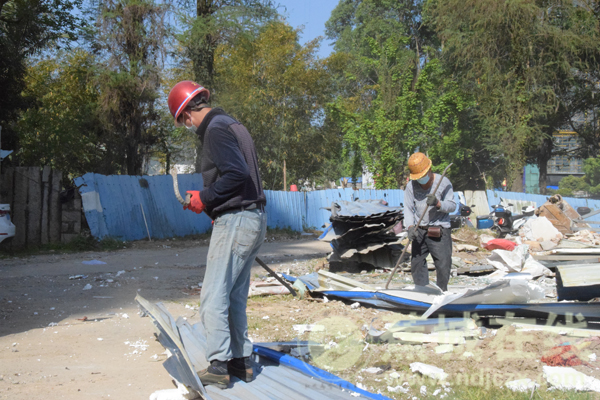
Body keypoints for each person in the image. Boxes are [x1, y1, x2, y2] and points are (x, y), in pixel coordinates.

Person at [167, 80, 267, 389]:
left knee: (213, 295)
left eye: (183, 120)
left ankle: (219, 366)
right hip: (252, 217)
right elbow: (239, 176)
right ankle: (241, 362)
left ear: (186, 114)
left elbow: (236, 175)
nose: (187, 126)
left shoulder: (214, 130)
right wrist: (208, 203)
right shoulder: (232, 124)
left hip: (237, 219)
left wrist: (206, 197)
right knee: (234, 295)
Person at [403, 152, 456, 291]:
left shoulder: (443, 183)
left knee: (443, 264)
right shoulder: (411, 186)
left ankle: (441, 291)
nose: (420, 180)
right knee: (416, 263)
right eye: (418, 177)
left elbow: (452, 206)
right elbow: (408, 209)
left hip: (439, 229)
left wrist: (438, 203)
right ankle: (422, 290)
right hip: (419, 229)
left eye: (422, 176)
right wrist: (409, 227)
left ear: (429, 170)